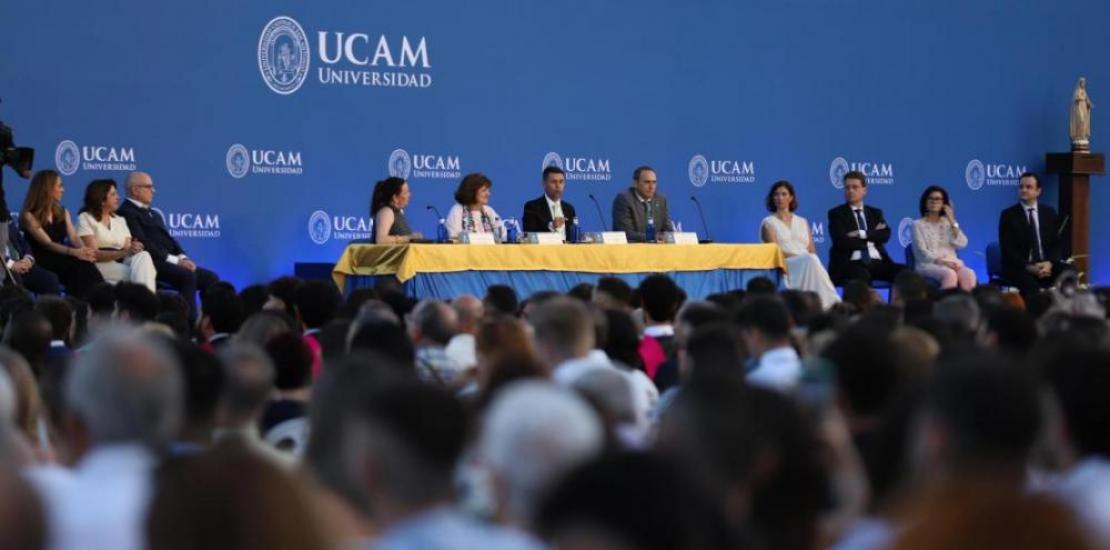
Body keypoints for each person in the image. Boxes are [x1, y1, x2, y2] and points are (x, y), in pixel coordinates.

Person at [116, 171, 218, 318]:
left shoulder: (154, 214)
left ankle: (209, 325)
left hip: (173, 261)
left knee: (211, 278)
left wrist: (184, 257)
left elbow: (170, 240)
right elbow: (144, 244)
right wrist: (177, 261)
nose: (153, 191)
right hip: (152, 262)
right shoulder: (126, 212)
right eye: (148, 187)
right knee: (187, 276)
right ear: (135, 190)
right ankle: (188, 328)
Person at [19, 170, 104, 298]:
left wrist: (84, 250)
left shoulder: (63, 212)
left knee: (85, 264)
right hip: (40, 259)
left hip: (61, 255)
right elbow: (47, 243)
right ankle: (87, 304)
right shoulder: (29, 215)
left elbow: (74, 237)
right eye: (59, 186)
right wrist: (75, 252)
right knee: (78, 265)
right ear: (47, 189)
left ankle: (97, 302)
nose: (63, 190)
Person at [760, 180, 840, 309]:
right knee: (810, 259)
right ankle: (833, 304)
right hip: (785, 264)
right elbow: (774, 252)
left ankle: (828, 305)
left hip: (807, 263)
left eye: (784, 194)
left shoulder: (802, 221)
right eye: (776, 194)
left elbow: (812, 250)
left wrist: (806, 259)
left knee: (813, 260)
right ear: (772, 198)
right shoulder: (768, 222)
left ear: (791, 197)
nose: (780, 198)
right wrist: (801, 257)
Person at [998, 172, 1072, 299]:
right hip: (1020, 267)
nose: (1024, 190)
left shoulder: (1049, 212)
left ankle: (1065, 311)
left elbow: (1057, 242)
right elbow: (1007, 250)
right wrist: (1029, 267)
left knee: (1070, 273)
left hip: (1046, 264)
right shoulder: (1008, 215)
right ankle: (1034, 317)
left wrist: (1049, 263)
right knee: (1031, 287)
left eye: (1028, 187)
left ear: (1038, 191)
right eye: (1021, 187)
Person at [76, 179, 157, 292]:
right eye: (113, 194)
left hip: (121, 261)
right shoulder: (85, 218)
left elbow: (128, 248)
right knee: (142, 274)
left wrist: (134, 247)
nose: (118, 197)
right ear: (101, 198)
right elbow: (93, 254)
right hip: (100, 264)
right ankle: (146, 304)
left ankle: (143, 303)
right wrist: (124, 252)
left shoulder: (120, 220)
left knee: (143, 256)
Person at [827, 170, 906, 286]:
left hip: (878, 262)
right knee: (861, 275)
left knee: (906, 273)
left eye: (855, 187)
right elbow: (842, 241)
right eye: (847, 187)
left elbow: (885, 234)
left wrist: (861, 233)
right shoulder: (836, 214)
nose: (850, 191)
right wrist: (872, 237)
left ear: (865, 190)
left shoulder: (875, 213)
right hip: (851, 264)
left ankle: (898, 303)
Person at [911, 185, 975, 290]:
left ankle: (966, 305)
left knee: (969, 273)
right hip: (928, 264)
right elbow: (921, 253)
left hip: (952, 262)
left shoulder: (949, 223)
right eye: (930, 198)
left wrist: (951, 219)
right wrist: (943, 262)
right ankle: (946, 306)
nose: (933, 201)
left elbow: (962, 243)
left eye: (937, 199)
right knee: (950, 274)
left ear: (944, 203)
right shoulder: (917, 224)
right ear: (925, 202)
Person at [3, 218, 61, 295]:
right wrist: (12, 264)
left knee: (50, 280)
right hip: (4, 268)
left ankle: (51, 307)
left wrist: (28, 258)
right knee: (15, 282)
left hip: (22, 264)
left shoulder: (5, 217)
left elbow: (22, 241)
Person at [612, 166, 671, 242]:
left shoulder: (661, 200)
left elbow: (668, 230)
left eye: (654, 182)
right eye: (647, 182)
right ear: (635, 183)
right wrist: (653, 237)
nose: (651, 187)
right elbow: (626, 233)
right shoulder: (624, 199)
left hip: (657, 250)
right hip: (631, 250)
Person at [522, 165, 578, 240]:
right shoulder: (532, 207)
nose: (558, 186)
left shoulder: (569, 209)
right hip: (543, 251)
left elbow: (573, 237)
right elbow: (529, 235)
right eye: (554, 182)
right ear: (544, 184)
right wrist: (551, 226)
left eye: (561, 182)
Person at [444, 173, 504, 240]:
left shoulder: (489, 211)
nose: (488, 194)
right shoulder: (457, 210)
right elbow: (454, 237)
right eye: (484, 190)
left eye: (488, 190)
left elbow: (502, 235)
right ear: (472, 192)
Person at [370, 177, 422, 244]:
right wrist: (408, 238)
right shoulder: (386, 212)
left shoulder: (398, 213)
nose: (409, 195)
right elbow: (380, 239)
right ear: (394, 197)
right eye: (406, 192)